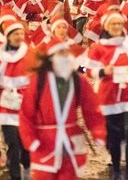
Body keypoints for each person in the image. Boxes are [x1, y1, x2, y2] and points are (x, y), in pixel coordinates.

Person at [18, 37, 107, 180]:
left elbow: (92, 110)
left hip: (70, 140)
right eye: (60, 54)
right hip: (45, 143)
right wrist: (30, 139)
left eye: (66, 53)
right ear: (51, 58)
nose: (65, 57)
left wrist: (99, 132)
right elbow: (26, 114)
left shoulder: (79, 80)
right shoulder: (38, 81)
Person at [87, 7, 128, 180]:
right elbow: (89, 71)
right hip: (108, 97)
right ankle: (116, 168)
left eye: (120, 23)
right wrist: (104, 71)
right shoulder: (98, 47)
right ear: (106, 26)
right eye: (113, 23)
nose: (117, 26)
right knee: (114, 135)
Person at [0, 20, 32, 180]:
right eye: (15, 33)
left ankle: (26, 169)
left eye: (21, 33)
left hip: (25, 107)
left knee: (25, 145)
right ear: (8, 36)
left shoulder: (31, 55)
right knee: (12, 143)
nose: (19, 36)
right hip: (4, 106)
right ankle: (15, 175)